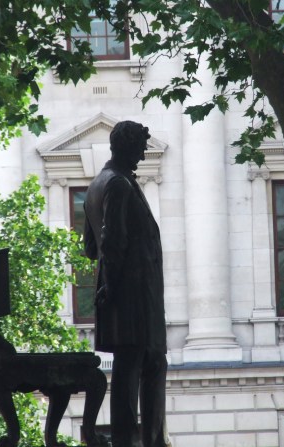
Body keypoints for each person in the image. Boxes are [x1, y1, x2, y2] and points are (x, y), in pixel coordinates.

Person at [83, 121, 167, 447]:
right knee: (149, 364)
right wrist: (114, 285)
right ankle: (148, 440)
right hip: (132, 294)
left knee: (131, 366)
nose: (144, 153)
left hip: (120, 292)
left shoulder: (96, 185)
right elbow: (112, 241)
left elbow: (91, 248)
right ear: (127, 146)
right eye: (141, 147)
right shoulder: (118, 184)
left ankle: (133, 439)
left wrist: (107, 283)